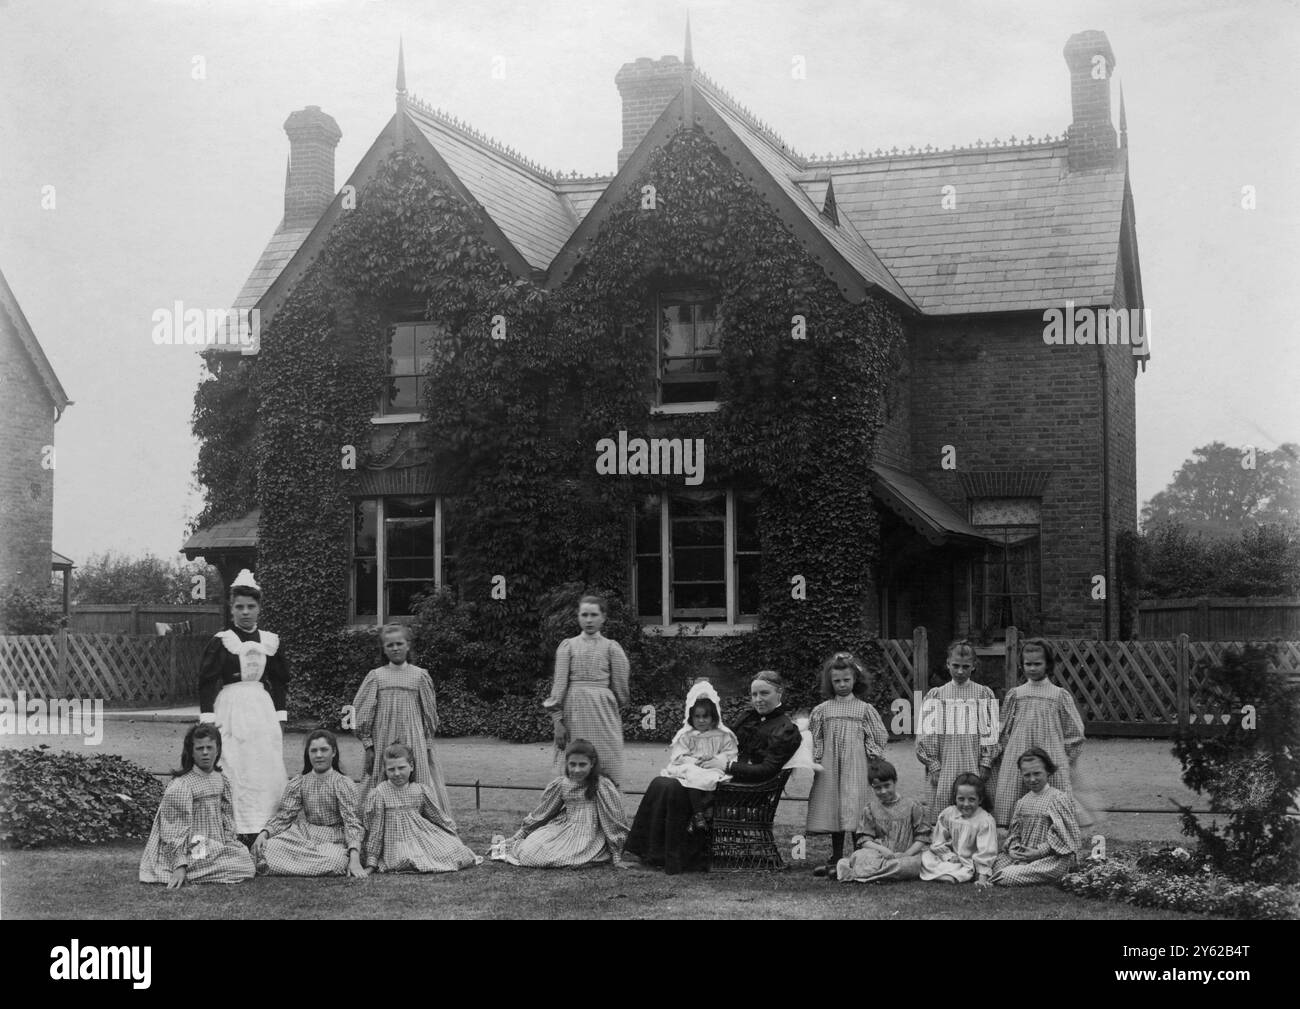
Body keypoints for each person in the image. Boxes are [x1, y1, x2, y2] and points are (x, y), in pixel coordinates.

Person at [626, 670, 801, 874]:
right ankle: (650, 852)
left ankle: (674, 857)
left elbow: (767, 770)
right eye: (754, 695)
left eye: (764, 694)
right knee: (662, 782)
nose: (758, 700)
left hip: (746, 791)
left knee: (673, 787)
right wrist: (705, 757)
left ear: (779, 693)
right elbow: (721, 740)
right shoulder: (749, 716)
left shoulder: (785, 728)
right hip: (724, 779)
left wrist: (725, 766)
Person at [197, 569, 288, 842]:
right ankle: (234, 828)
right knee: (233, 762)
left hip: (261, 707)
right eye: (239, 607)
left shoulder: (270, 641)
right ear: (231, 609)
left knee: (264, 763)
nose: (245, 612)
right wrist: (207, 718)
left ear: (259, 608)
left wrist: (280, 716)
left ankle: (264, 827)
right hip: (231, 706)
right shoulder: (223, 641)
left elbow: (281, 680)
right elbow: (206, 681)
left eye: (250, 607)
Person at [139, 724, 255, 886]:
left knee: (246, 861)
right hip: (193, 844)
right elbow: (173, 828)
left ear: (218, 749)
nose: (205, 753)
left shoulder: (221, 779)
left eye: (210, 747)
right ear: (191, 752)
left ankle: (211, 864)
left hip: (216, 842)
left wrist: (229, 841)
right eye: (200, 748)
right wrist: (179, 863)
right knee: (234, 863)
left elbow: (226, 815)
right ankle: (187, 869)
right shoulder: (182, 785)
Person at [351, 624, 450, 811]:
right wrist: (368, 744)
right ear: (384, 649)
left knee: (418, 778)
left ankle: (420, 824)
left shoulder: (420, 676)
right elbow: (361, 711)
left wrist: (427, 743)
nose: (395, 648)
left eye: (399, 643)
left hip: (413, 738)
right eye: (390, 645)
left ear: (408, 645)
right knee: (382, 778)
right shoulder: (376, 677)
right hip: (383, 739)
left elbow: (429, 712)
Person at [806, 651, 889, 877]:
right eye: (837, 681)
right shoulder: (823, 710)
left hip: (856, 764)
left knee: (855, 804)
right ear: (830, 683)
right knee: (835, 805)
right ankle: (836, 855)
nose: (842, 684)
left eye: (846, 680)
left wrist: (872, 754)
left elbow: (878, 735)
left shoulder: (864, 709)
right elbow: (817, 736)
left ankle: (859, 853)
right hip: (831, 764)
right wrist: (818, 757)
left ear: (855, 680)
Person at [991, 639, 1086, 827]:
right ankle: (1017, 832)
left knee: (1053, 793)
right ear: (1022, 665)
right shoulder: (1016, 694)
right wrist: (999, 752)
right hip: (1018, 752)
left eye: (1037, 664)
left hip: (1050, 753)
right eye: (1028, 664)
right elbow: (1003, 728)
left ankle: (1054, 831)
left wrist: (1065, 758)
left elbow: (1074, 731)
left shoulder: (1059, 695)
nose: (1032, 668)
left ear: (1048, 665)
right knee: (1015, 787)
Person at [251, 729, 365, 877]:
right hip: (304, 835)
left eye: (324, 750)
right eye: (314, 751)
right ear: (308, 754)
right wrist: (264, 833)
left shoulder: (343, 783)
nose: (318, 755)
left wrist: (355, 858)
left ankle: (295, 865)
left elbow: (352, 822)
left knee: (335, 860)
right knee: (268, 849)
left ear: (334, 752)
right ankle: (307, 865)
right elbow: (285, 816)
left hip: (332, 840)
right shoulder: (300, 782)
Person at [501, 739, 630, 868]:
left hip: (590, 834)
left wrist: (617, 856)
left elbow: (613, 821)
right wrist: (518, 836)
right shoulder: (563, 784)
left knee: (562, 856)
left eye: (582, 764)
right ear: (566, 764)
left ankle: (580, 858)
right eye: (572, 764)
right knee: (529, 852)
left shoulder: (601, 785)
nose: (577, 770)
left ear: (592, 763)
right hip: (564, 827)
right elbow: (543, 813)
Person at [544, 595, 630, 787]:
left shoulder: (611, 648)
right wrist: (558, 721)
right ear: (578, 617)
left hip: (603, 713)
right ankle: (572, 808)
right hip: (574, 712)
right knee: (574, 759)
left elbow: (620, 687)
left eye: (594, 615)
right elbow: (558, 687)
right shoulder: (568, 646)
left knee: (607, 758)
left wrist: (607, 702)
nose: (589, 620)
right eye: (584, 615)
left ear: (603, 617)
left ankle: (606, 807)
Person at [362, 743, 479, 874]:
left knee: (456, 850)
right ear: (385, 770)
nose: (397, 773)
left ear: (411, 766)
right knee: (406, 858)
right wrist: (372, 861)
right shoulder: (379, 793)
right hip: (395, 841)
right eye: (391, 769)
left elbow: (437, 816)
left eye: (401, 768)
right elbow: (375, 830)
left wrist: (452, 834)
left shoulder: (419, 790)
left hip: (420, 835)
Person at [915, 638, 997, 816]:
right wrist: (934, 765)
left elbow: (990, 731)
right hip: (946, 759)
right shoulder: (937, 695)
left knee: (973, 803)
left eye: (965, 667)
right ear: (947, 664)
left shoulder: (983, 694)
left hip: (972, 757)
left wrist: (985, 762)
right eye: (955, 665)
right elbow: (926, 733)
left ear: (973, 666)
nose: (960, 671)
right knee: (945, 807)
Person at [991, 748, 1081, 886]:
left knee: (1006, 876)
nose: (1032, 779)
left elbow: (1067, 838)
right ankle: (1018, 869)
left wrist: (1039, 851)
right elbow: (1015, 834)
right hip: (1025, 856)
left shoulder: (1057, 799)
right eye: (1027, 775)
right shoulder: (1022, 802)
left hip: (1051, 858)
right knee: (994, 864)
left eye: (1037, 773)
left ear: (1048, 771)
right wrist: (1014, 849)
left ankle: (1017, 872)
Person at [659, 680, 739, 833]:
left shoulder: (723, 735)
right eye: (697, 716)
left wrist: (716, 760)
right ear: (691, 716)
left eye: (706, 717)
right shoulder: (686, 735)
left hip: (712, 767)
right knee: (693, 775)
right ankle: (699, 814)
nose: (701, 720)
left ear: (713, 717)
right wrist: (694, 761)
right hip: (692, 767)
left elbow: (730, 753)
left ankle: (697, 814)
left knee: (711, 778)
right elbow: (678, 755)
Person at [836, 758, 931, 882]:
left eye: (887, 786)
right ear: (872, 787)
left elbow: (922, 837)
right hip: (880, 854)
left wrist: (906, 854)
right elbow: (865, 840)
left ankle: (859, 873)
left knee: (910, 865)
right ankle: (878, 873)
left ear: (895, 782)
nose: (883, 791)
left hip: (907, 855)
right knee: (859, 856)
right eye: (878, 788)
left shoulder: (913, 806)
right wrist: (884, 851)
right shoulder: (870, 809)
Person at [919, 773, 998, 886]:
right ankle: (947, 875)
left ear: (980, 800)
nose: (966, 804)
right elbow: (938, 840)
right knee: (926, 856)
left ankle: (950, 876)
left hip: (969, 861)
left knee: (967, 870)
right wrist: (948, 856)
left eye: (971, 799)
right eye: (961, 799)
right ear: (955, 797)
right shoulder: (948, 814)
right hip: (951, 858)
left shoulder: (985, 821)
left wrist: (982, 877)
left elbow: (986, 851)